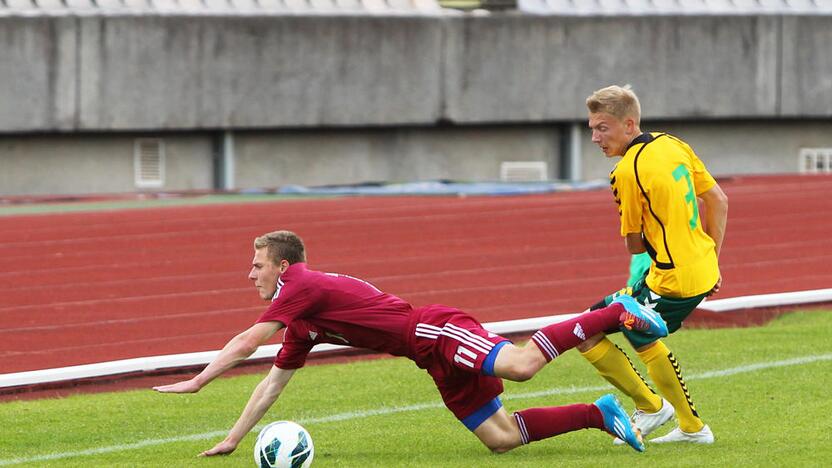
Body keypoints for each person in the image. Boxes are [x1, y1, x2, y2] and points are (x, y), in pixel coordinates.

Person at [154, 230, 670, 457]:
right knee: (501, 439)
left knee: (519, 365)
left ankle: (613, 312)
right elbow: (272, 382)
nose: (251, 274)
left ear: (283, 267)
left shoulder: (302, 285)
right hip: (428, 357)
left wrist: (199, 380)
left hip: (436, 330)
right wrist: (233, 439)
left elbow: (248, 342)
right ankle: (599, 414)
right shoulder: (304, 321)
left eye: (257, 264)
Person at [578, 85, 728, 444]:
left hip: (674, 281)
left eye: (603, 128)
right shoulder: (672, 143)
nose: (596, 137)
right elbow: (718, 200)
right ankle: (652, 407)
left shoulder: (625, 172)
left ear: (628, 125)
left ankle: (687, 425)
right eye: (592, 129)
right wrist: (711, 258)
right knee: (589, 325)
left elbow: (633, 243)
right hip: (697, 268)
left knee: (631, 329)